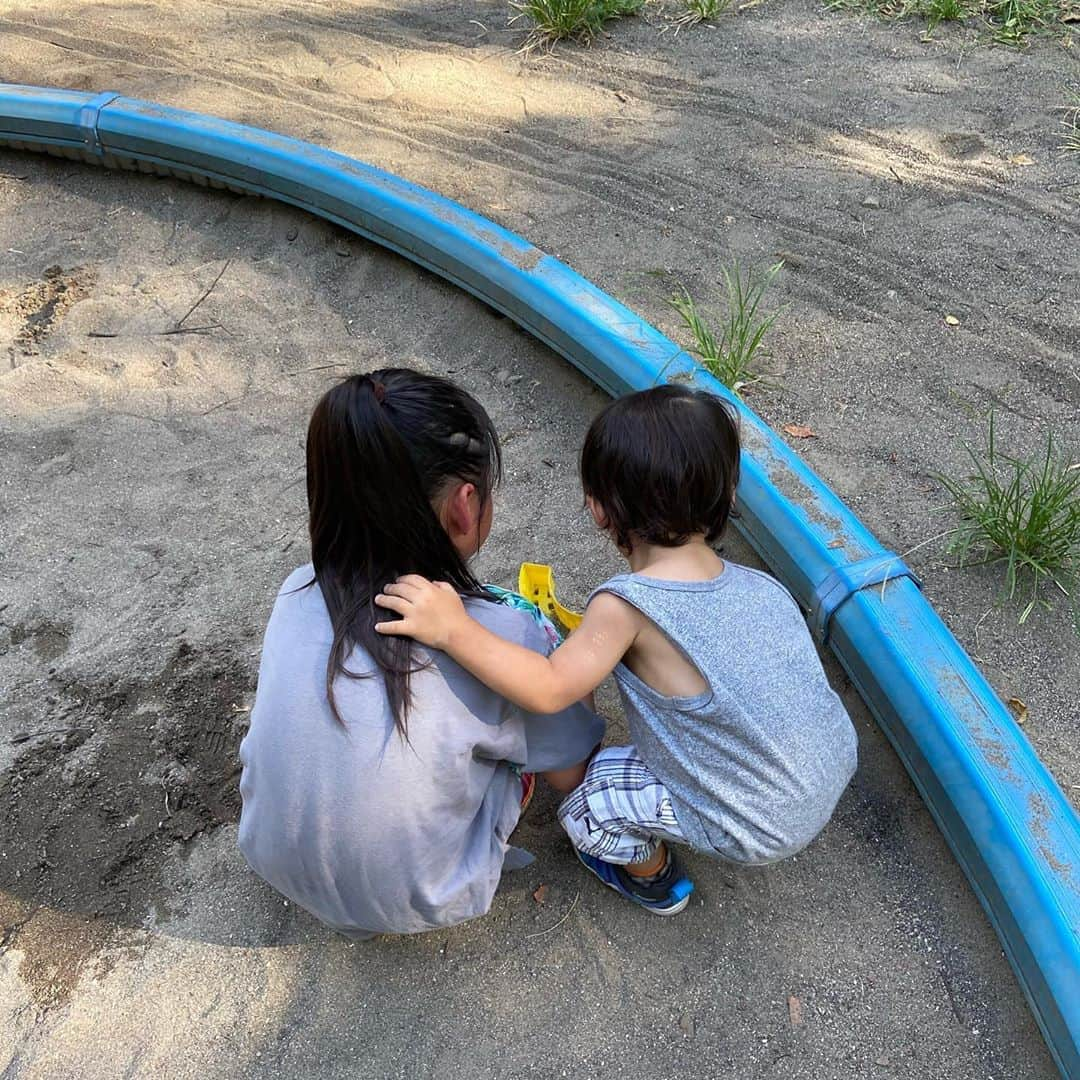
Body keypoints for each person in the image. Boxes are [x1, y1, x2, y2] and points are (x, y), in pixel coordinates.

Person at [374, 385, 858, 916]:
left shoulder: (626, 607)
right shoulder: (761, 588)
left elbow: (549, 687)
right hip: (827, 767)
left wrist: (453, 629)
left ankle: (652, 877)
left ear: (600, 509)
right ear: (729, 494)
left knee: (586, 803)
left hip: (760, 821)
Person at [237, 369, 603, 938]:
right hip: (417, 895)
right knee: (532, 715)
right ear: (464, 504)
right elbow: (571, 773)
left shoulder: (296, 590)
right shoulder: (509, 632)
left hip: (271, 855)